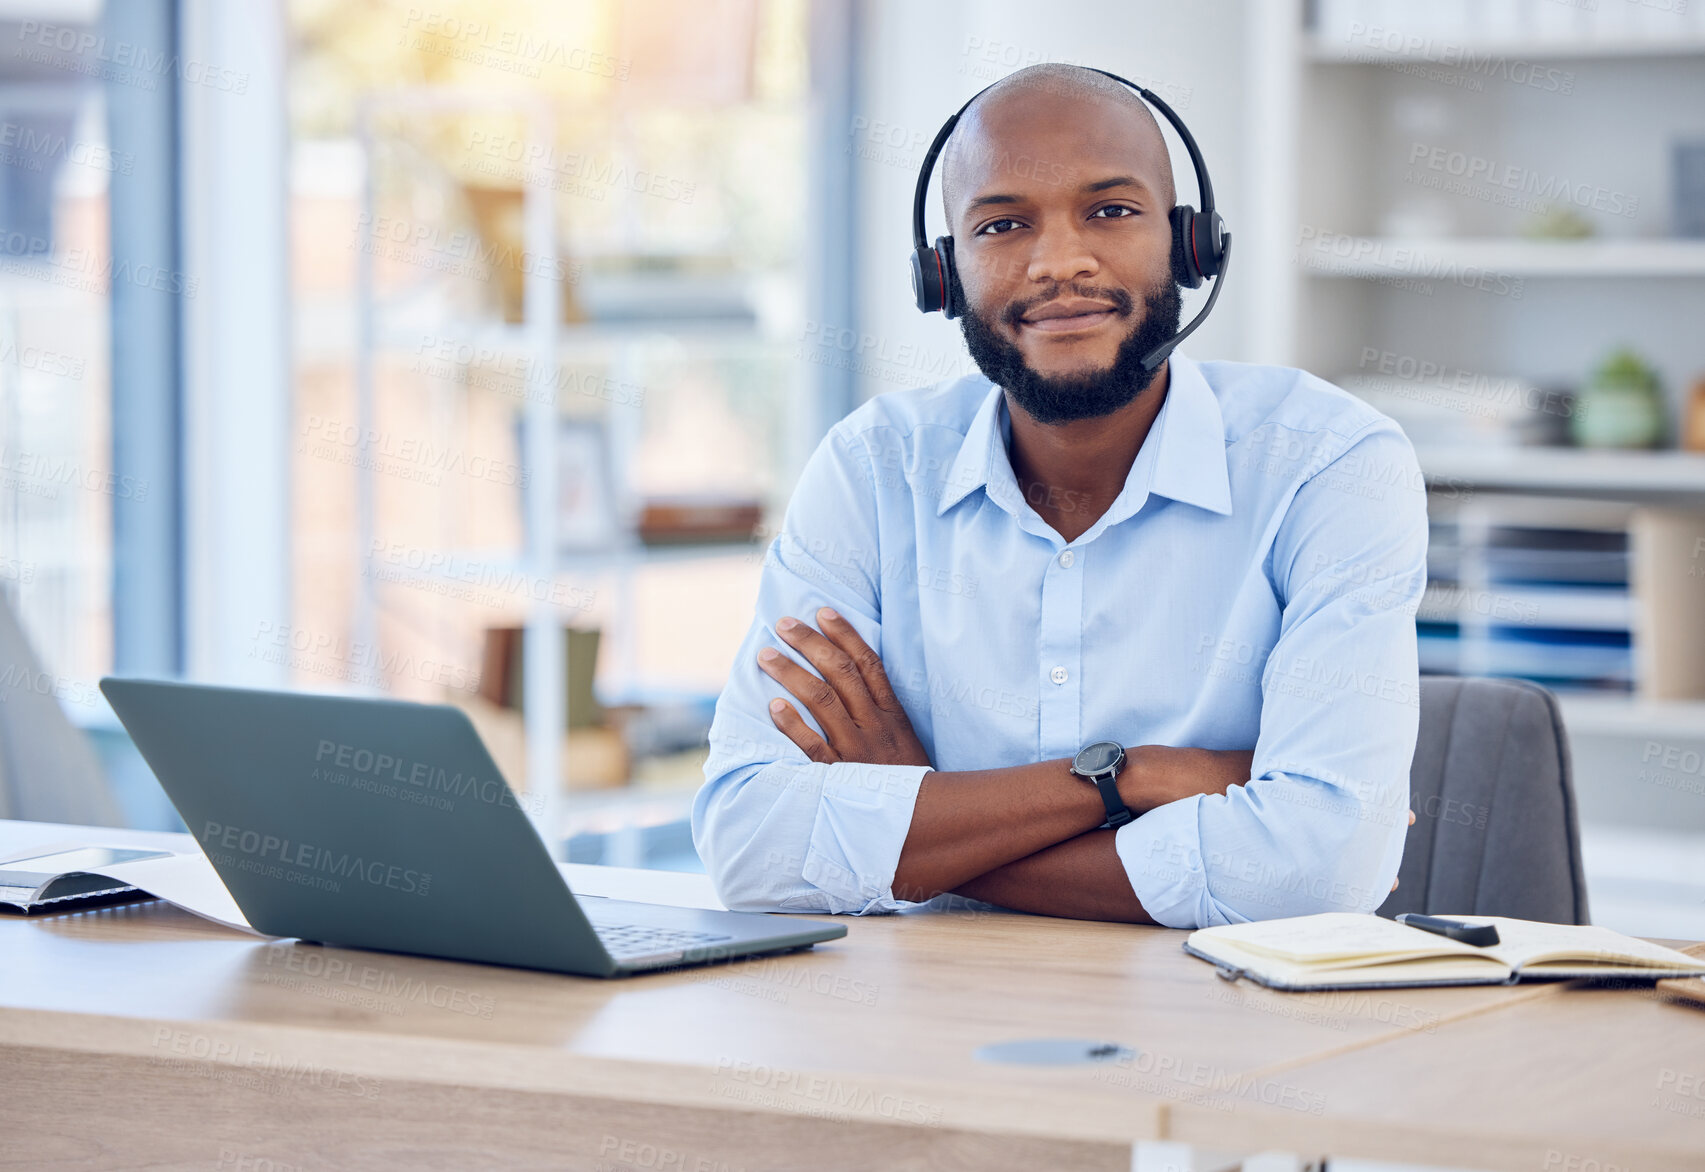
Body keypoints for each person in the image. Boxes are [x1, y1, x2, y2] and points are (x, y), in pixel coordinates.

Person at [692, 63, 1427, 928]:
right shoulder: (871, 468)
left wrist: (921, 816)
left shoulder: (1329, 463)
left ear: (1189, 243)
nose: (1058, 263)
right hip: (919, 1025)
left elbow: (1314, 871)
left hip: (1232, 1032)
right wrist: (1124, 778)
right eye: (1002, 225)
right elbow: (749, 845)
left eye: (1110, 211)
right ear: (943, 273)